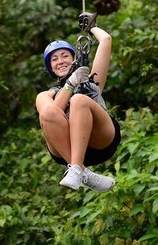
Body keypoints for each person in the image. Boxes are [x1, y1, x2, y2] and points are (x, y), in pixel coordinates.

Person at [36, 14, 121, 193]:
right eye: (54, 59)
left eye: (65, 55)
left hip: (100, 139)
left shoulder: (90, 79)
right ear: (50, 67)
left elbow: (106, 40)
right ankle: (80, 170)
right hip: (65, 146)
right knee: (47, 112)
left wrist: (91, 27)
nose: (60, 61)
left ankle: (77, 169)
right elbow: (52, 114)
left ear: (73, 58)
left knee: (79, 100)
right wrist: (70, 84)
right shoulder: (46, 95)